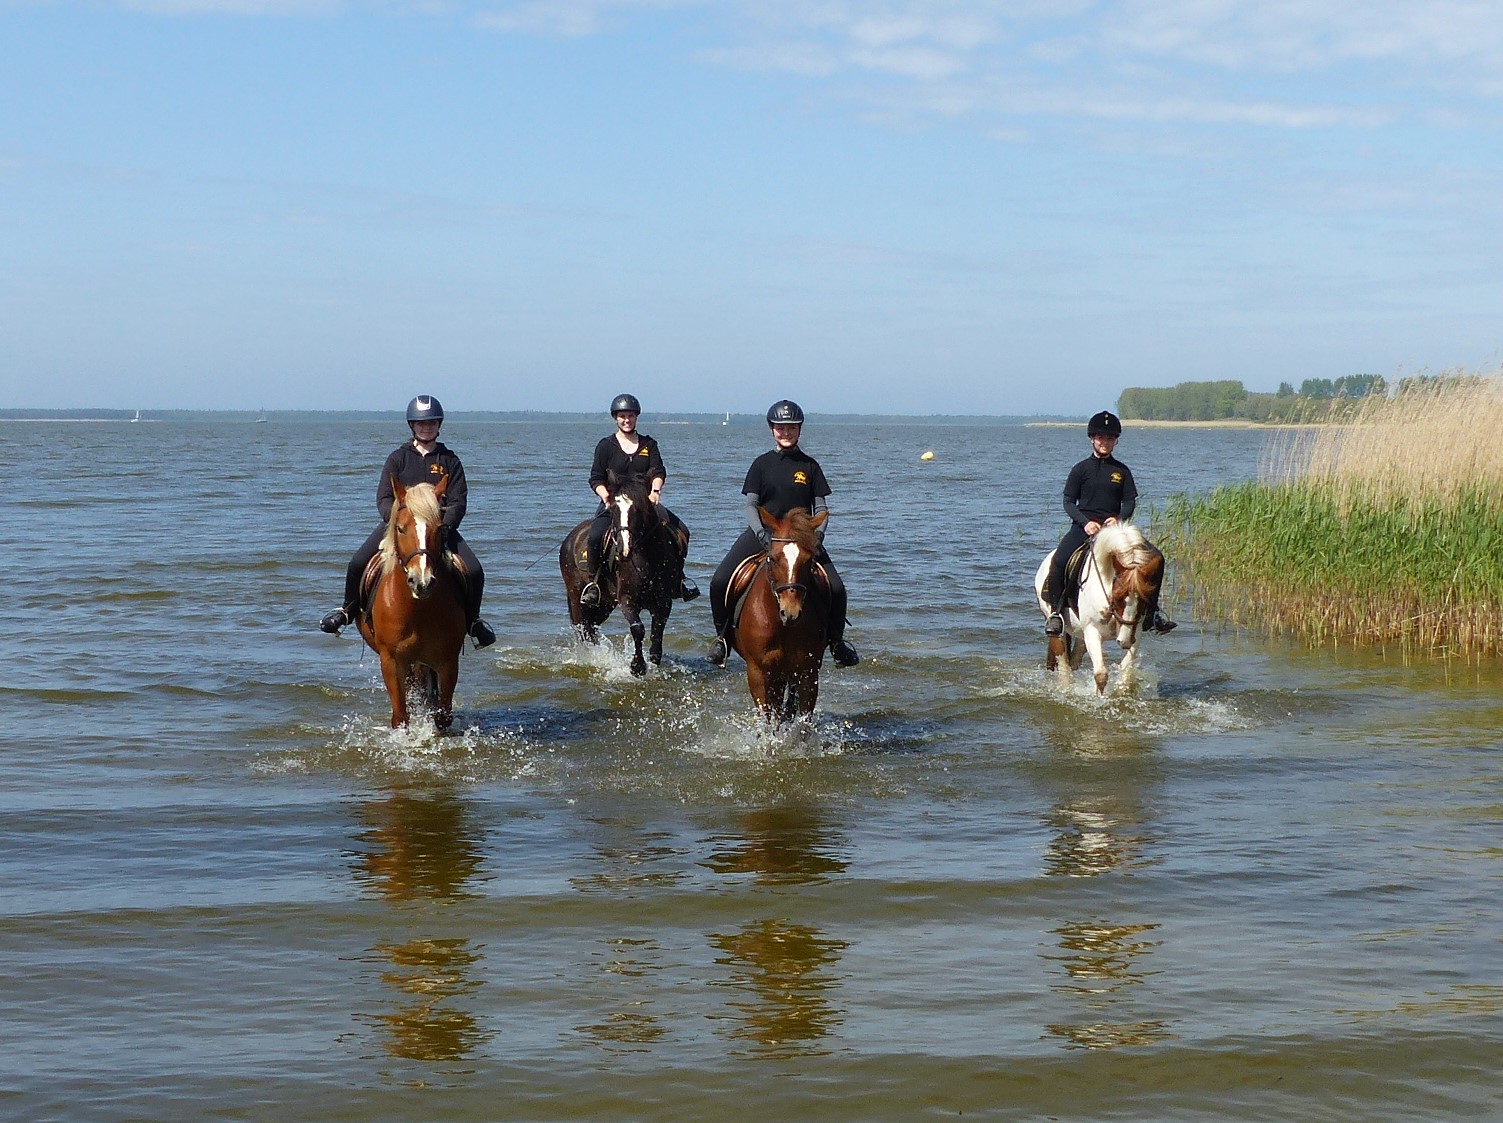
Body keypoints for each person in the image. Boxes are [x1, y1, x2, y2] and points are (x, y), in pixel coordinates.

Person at [319, 395, 495, 647]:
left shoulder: (450, 461)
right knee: (357, 562)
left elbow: (458, 501)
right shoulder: (397, 459)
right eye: (422, 423)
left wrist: (445, 526)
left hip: (437, 529)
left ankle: (473, 622)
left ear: (439, 425)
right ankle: (347, 610)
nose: (427, 427)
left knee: (475, 571)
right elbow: (384, 497)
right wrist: (395, 521)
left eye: (432, 423)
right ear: (412, 425)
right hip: (400, 528)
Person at [705, 399, 859, 668]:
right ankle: (723, 639)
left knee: (836, 587)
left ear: (799, 429)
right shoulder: (761, 464)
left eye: (791, 427)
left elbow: (821, 507)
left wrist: (817, 536)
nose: (786, 432)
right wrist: (760, 533)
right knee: (719, 581)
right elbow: (751, 505)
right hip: (764, 533)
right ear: (772, 429)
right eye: (780, 427)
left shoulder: (810, 466)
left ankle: (837, 643)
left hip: (802, 538)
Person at [1043, 409, 1175, 637]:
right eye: (1101, 437)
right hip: (1084, 528)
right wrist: (1085, 523)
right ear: (1092, 439)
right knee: (1060, 560)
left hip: (1115, 530)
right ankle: (1056, 613)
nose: (1105, 442)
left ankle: (1152, 613)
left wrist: (1119, 518)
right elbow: (1068, 502)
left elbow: (1129, 502)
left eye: (1110, 438)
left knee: (1156, 558)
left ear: (1116, 441)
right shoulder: (1080, 469)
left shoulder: (1122, 471)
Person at [579, 393, 699, 607]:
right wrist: (605, 495)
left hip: (645, 505)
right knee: (595, 536)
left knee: (682, 532)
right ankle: (593, 584)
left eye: (630, 416)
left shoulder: (649, 444)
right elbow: (596, 477)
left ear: (636, 417)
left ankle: (678, 580)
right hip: (616, 504)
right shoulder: (606, 446)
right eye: (622, 416)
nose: (626, 420)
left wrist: (655, 491)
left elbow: (658, 471)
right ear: (615, 418)